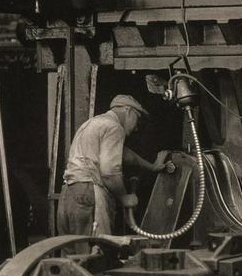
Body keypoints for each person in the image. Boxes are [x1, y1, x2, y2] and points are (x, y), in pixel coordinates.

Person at [56, 94, 169, 236]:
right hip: (89, 192)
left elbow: (126, 155)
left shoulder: (93, 123)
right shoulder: (114, 127)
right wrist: (124, 198)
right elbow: (109, 172)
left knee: (72, 252)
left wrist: (152, 167)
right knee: (95, 250)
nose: (136, 129)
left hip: (69, 194)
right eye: (137, 120)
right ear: (128, 111)